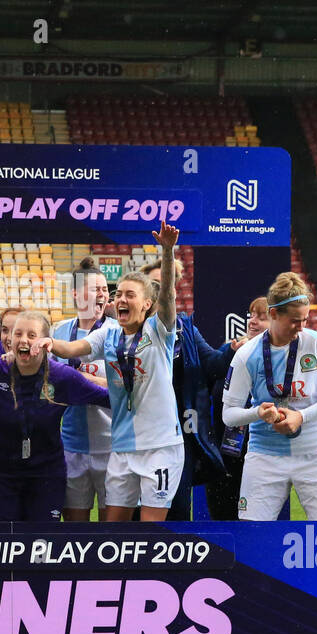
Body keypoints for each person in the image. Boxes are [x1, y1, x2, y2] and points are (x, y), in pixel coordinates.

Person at [47, 222, 182, 522]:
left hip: (159, 446)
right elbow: (73, 349)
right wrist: (49, 342)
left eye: (130, 295)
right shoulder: (108, 335)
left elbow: (169, 298)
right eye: (118, 293)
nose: (120, 299)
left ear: (147, 303)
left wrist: (168, 251)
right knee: (113, 531)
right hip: (121, 448)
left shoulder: (159, 332)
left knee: (148, 532)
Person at [223, 273, 317, 521]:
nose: (301, 327)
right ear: (273, 314)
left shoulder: (316, 343)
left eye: (305, 320)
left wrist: (301, 416)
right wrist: (257, 413)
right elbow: (229, 415)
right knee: (253, 535)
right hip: (265, 453)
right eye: (294, 321)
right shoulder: (248, 354)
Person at [0, 311, 109, 521]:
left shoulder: (62, 376)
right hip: (0, 475)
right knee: (3, 543)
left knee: (43, 542)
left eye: (32, 335)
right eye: (18, 334)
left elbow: (111, 399)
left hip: (45, 475)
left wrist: (137, 386)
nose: (23, 340)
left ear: (46, 343)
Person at [142, 256, 236, 521]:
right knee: (134, 513)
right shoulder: (126, 329)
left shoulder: (185, 329)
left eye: (167, 284)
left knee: (178, 508)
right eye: (154, 284)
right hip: (138, 435)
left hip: (177, 433)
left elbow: (213, 366)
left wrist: (233, 348)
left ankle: (177, 563)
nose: (161, 290)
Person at [56, 257, 114, 521]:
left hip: (113, 447)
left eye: (105, 289)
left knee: (112, 534)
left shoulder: (117, 332)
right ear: (76, 293)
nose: (102, 294)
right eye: (95, 289)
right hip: (71, 446)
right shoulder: (60, 331)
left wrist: (80, 382)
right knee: (73, 531)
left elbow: (128, 387)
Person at [207, 295, 271, 520]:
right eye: (252, 315)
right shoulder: (230, 350)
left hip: (261, 451)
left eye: (262, 318)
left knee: (254, 519)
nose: (252, 321)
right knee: (222, 515)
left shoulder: (281, 358)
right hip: (224, 450)